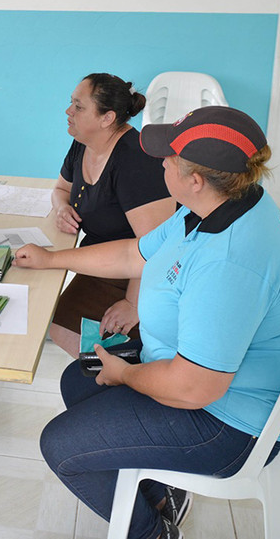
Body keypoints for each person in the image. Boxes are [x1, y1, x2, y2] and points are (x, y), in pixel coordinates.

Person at [14, 106, 280, 539]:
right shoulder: (222, 202)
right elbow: (135, 254)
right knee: (77, 381)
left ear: (194, 179)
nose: (160, 162)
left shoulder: (229, 263)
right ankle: (159, 490)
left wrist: (129, 375)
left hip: (226, 424)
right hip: (201, 377)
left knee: (59, 446)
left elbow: (194, 388)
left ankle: (151, 532)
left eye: (168, 158)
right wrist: (51, 260)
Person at [50, 73, 174, 356]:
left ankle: (122, 384)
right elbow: (60, 189)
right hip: (103, 261)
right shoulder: (84, 141)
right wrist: (62, 208)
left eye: (79, 107)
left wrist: (133, 305)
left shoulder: (136, 161)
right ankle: (107, 381)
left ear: (107, 118)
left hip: (140, 273)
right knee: (59, 325)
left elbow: (156, 248)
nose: (68, 112)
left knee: (69, 330)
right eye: (71, 103)